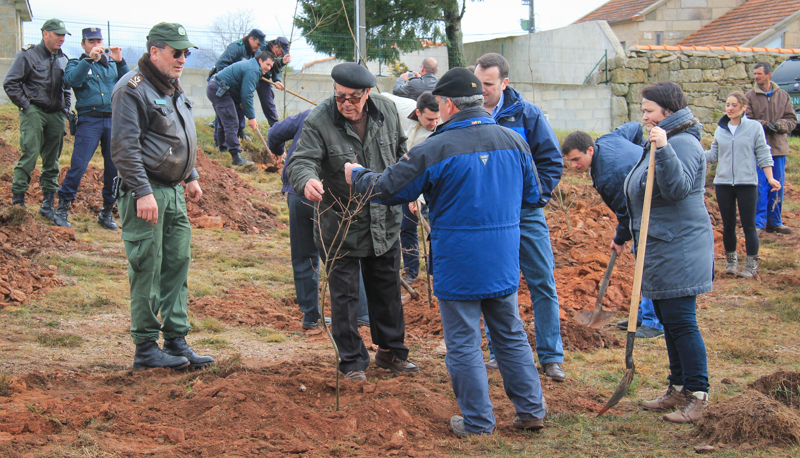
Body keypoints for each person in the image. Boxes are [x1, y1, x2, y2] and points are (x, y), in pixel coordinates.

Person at [345, 67, 546, 437]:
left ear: (449, 104)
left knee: (464, 342)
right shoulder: (514, 141)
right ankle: (531, 411)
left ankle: (478, 422)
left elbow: (389, 189)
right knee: (510, 333)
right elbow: (533, 195)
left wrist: (358, 174)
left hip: (458, 259)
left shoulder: (436, 148)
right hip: (502, 256)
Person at [286, 62, 417, 381]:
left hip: (384, 221)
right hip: (340, 223)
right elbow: (301, 160)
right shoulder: (320, 119)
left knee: (386, 292)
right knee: (344, 299)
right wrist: (306, 181)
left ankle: (391, 352)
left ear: (367, 94)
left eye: (353, 97)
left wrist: (411, 187)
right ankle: (353, 361)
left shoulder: (385, 111)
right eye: (340, 95)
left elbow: (402, 153)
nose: (346, 103)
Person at [111, 22, 214, 371]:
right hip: (147, 193)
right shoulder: (131, 90)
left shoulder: (171, 85)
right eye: (176, 52)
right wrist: (142, 192)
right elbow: (124, 149)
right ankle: (145, 347)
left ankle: (175, 339)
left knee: (175, 266)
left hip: (172, 192)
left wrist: (191, 175)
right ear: (155, 52)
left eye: (186, 52)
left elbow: (178, 135)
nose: (182, 58)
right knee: (147, 268)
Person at [473, 53, 566, 381]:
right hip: (488, 218)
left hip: (526, 214)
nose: (481, 90)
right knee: (497, 285)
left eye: (488, 84)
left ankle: (551, 356)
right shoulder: (468, 117)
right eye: (478, 83)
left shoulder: (527, 116)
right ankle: (500, 353)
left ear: (504, 83)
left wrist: (535, 197)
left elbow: (552, 161)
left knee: (542, 280)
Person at [632, 81, 713, 424]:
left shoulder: (685, 143)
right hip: (662, 244)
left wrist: (663, 149)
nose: (644, 116)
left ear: (667, 110)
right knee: (668, 320)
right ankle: (678, 387)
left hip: (680, 247)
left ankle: (698, 394)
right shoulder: (664, 137)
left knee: (681, 321)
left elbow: (678, 189)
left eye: (649, 110)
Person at [267, 109, 370, 329]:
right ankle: (360, 313)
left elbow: (275, 133)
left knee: (304, 256)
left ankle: (311, 317)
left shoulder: (308, 114)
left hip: (299, 192)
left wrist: (279, 152)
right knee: (345, 253)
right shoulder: (356, 119)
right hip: (331, 197)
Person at [561, 126, 664, 338]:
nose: (574, 165)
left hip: (653, 207)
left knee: (646, 261)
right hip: (644, 200)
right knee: (642, 260)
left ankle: (654, 322)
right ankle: (643, 315)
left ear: (590, 150)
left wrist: (619, 238)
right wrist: (641, 156)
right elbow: (635, 128)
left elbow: (626, 212)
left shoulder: (609, 176)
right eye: (570, 161)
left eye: (576, 159)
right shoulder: (608, 139)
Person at [55, 27, 129, 229]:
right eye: (91, 42)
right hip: (90, 121)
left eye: (99, 41)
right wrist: (89, 59)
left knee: (114, 169)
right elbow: (70, 80)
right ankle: (62, 208)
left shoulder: (111, 65)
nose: (96, 45)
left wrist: (120, 61)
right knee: (78, 165)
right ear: (83, 44)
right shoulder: (76, 63)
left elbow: (131, 83)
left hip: (113, 121)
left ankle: (106, 212)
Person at [706, 91, 781, 278]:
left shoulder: (754, 128)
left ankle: (750, 265)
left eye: (734, 105)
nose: (729, 108)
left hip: (747, 183)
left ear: (743, 108)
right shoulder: (720, 129)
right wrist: (693, 152)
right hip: (723, 184)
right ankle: (731, 263)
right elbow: (713, 155)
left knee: (748, 226)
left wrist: (770, 178)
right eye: (727, 105)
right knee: (728, 225)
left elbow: (763, 153)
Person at [3, 19, 71, 218]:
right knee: (30, 155)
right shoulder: (28, 55)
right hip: (34, 111)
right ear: (45, 34)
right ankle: (19, 202)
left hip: (56, 114)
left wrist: (65, 108)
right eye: (58, 34)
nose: (62, 38)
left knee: (52, 162)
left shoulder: (63, 59)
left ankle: (48, 205)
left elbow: (66, 88)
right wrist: (26, 106)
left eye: (63, 35)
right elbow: (11, 83)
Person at [381, 92, 441, 284]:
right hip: (393, 174)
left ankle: (410, 271)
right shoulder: (402, 107)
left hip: (419, 182)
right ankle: (386, 269)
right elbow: (381, 96)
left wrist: (419, 199)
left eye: (437, 119)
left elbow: (429, 169)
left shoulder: (438, 133)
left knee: (408, 226)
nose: (434, 123)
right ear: (418, 112)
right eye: (430, 119)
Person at [745, 62, 797, 235]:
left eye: (759, 73)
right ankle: (758, 223)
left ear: (769, 74)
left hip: (778, 148)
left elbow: (791, 119)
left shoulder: (783, 96)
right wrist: (765, 125)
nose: (756, 77)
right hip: (758, 149)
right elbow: (747, 120)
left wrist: (778, 126)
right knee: (760, 186)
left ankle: (775, 221)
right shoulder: (749, 97)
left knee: (777, 186)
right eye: (755, 74)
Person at [207, 51, 275, 166]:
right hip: (220, 90)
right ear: (260, 61)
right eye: (267, 64)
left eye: (271, 66)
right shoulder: (253, 70)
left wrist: (241, 102)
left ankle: (222, 148)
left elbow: (242, 89)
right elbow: (247, 94)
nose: (268, 68)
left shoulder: (252, 66)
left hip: (218, 88)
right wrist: (251, 117)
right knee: (232, 122)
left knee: (225, 121)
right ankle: (236, 156)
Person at [208, 29, 266, 145]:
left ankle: (239, 132)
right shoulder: (236, 47)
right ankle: (221, 142)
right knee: (226, 113)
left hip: (235, 87)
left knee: (238, 110)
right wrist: (227, 84)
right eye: (258, 43)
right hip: (222, 84)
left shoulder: (253, 51)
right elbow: (221, 64)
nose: (259, 47)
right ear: (251, 39)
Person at [256, 37, 291, 126]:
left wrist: (277, 80)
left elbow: (277, 69)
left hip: (264, 79)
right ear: (276, 47)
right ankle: (239, 130)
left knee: (269, 103)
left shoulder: (280, 57)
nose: (283, 54)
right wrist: (281, 62)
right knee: (239, 100)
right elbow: (263, 63)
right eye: (282, 51)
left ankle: (275, 128)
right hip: (252, 75)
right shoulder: (261, 47)